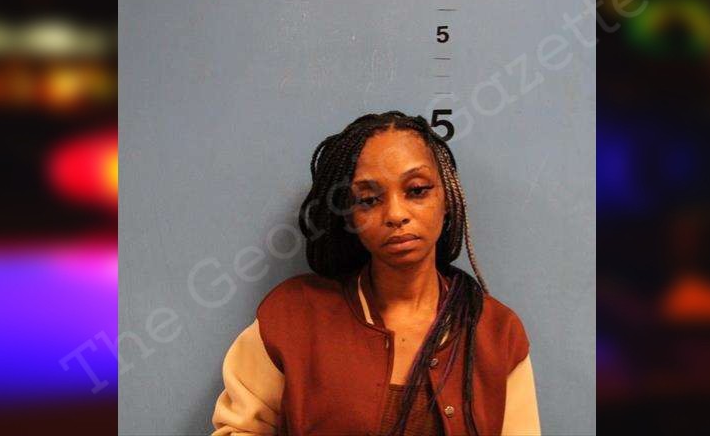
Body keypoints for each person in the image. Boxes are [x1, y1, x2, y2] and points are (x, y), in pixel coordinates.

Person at [211, 111, 540, 435]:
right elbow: (239, 429)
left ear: (448, 198)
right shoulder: (291, 316)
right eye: (369, 200)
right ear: (349, 216)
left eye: (417, 190)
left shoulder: (496, 333)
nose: (396, 214)